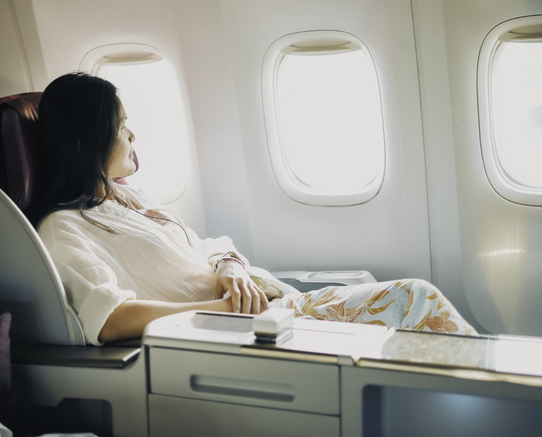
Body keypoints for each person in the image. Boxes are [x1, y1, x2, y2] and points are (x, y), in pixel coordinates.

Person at [32, 72, 476, 346]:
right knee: (414, 298)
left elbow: (202, 247)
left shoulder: (126, 198)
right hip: (242, 330)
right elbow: (109, 319)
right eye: (123, 127)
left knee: (410, 315)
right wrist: (225, 309)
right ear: (86, 142)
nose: (133, 137)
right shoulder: (63, 228)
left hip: (263, 307)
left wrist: (229, 266)